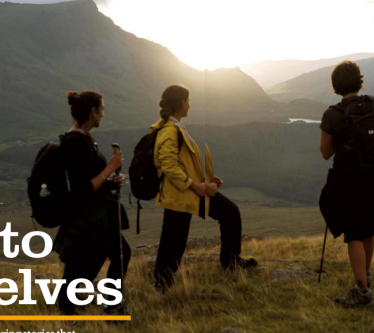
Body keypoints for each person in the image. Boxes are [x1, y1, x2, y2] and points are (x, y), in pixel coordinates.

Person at [318, 61, 374, 308]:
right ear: (360, 81)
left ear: (335, 86)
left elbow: (325, 152)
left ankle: (362, 292)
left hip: (350, 179)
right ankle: (365, 277)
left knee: (354, 233)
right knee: (368, 229)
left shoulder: (333, 114)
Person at [150, 84, 257, 291]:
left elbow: (182, 163)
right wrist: (196, 186)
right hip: (182, 194)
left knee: (227, 214)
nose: (190, 104)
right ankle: (162, 284)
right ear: (182, 103)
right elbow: (169, 165)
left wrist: (206, 180)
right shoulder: (169, 131)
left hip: (190, 190)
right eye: (188, 100)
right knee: (174, 239)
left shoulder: (175, 127)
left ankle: (230, 263)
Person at [53, 90, 132, 317]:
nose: (103, 115)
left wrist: (111, 182)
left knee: (82, 259)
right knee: (116, 254)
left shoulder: (81, 139)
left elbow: (90, 180)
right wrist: (110, 167)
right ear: (92, 112)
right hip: (90, 215)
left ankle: (68, 308)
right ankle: (111, 308)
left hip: (92, 213)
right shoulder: (76, 143)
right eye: (102, 110)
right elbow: (82, 187)